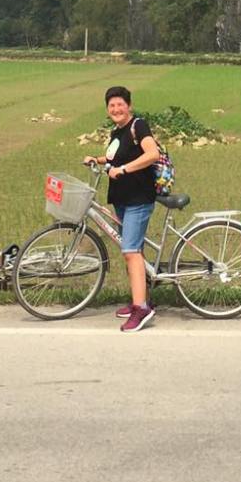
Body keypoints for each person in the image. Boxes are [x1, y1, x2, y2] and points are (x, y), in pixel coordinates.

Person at [87, 85, 161, 332]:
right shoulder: (117, 132)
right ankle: (139, 299)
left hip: (138, 199)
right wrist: (95, 160)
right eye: (111, 106)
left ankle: (142, 309)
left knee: (131, 251)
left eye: (120, 104)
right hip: (121, 198)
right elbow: (113, 160)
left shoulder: (138, 126)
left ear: (129, 106)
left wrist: (125, 170)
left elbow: (152, 154)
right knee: (132, 250)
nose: (116, 109)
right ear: (108, 110)